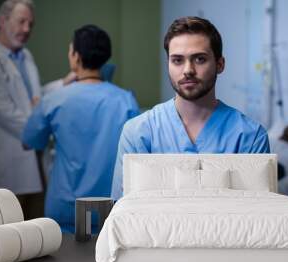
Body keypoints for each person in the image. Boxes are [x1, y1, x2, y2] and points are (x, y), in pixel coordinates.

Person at [111, 16, 270, 200]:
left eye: (200, 59)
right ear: (168, 64)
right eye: (177, 60)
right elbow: (124, 215)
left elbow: (257, 218)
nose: (188, 70)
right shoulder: (138, 133)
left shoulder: (250, 137)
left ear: (220, 64)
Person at [22, 24, 140, 232]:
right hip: (111, 209)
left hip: (66, 209)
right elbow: (138, 156)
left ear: (75, 57)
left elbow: (29, 141)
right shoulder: (126, 101)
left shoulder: (54, 100)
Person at [0, 0, 74, 195]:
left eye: (30, 24)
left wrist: (63, 83)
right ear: (2, 21)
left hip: (36, 158)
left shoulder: (25, 56)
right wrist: (44, 125)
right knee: (11, 221)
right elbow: (9, 115)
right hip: (9, 162)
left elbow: (34, 96)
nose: (26, 29)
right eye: (21, 21)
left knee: (38, 219)